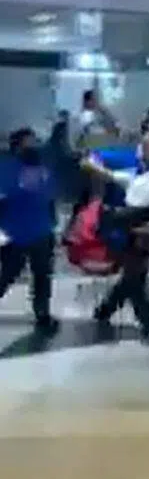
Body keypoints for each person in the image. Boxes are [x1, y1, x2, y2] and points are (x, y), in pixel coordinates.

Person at [90, 122, 149, 343]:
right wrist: (107, 175)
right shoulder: (122, 157)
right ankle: (148, 327)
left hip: (146, 226)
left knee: (135, 273)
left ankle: (106, 308)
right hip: (118, 222)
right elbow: (90, 158)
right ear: (143, 136)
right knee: (135, 273)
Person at [0, 129, 59, 334]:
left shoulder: (44, 169)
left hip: (42, 231)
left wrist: (53, 223)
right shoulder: (7, 169)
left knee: (42, 274)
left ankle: (42, 313)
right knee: (9, 273)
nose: (33, 146)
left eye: (34, 141)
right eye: (29, 142)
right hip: (14, 232)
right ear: (17, 147)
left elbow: (50, 198)